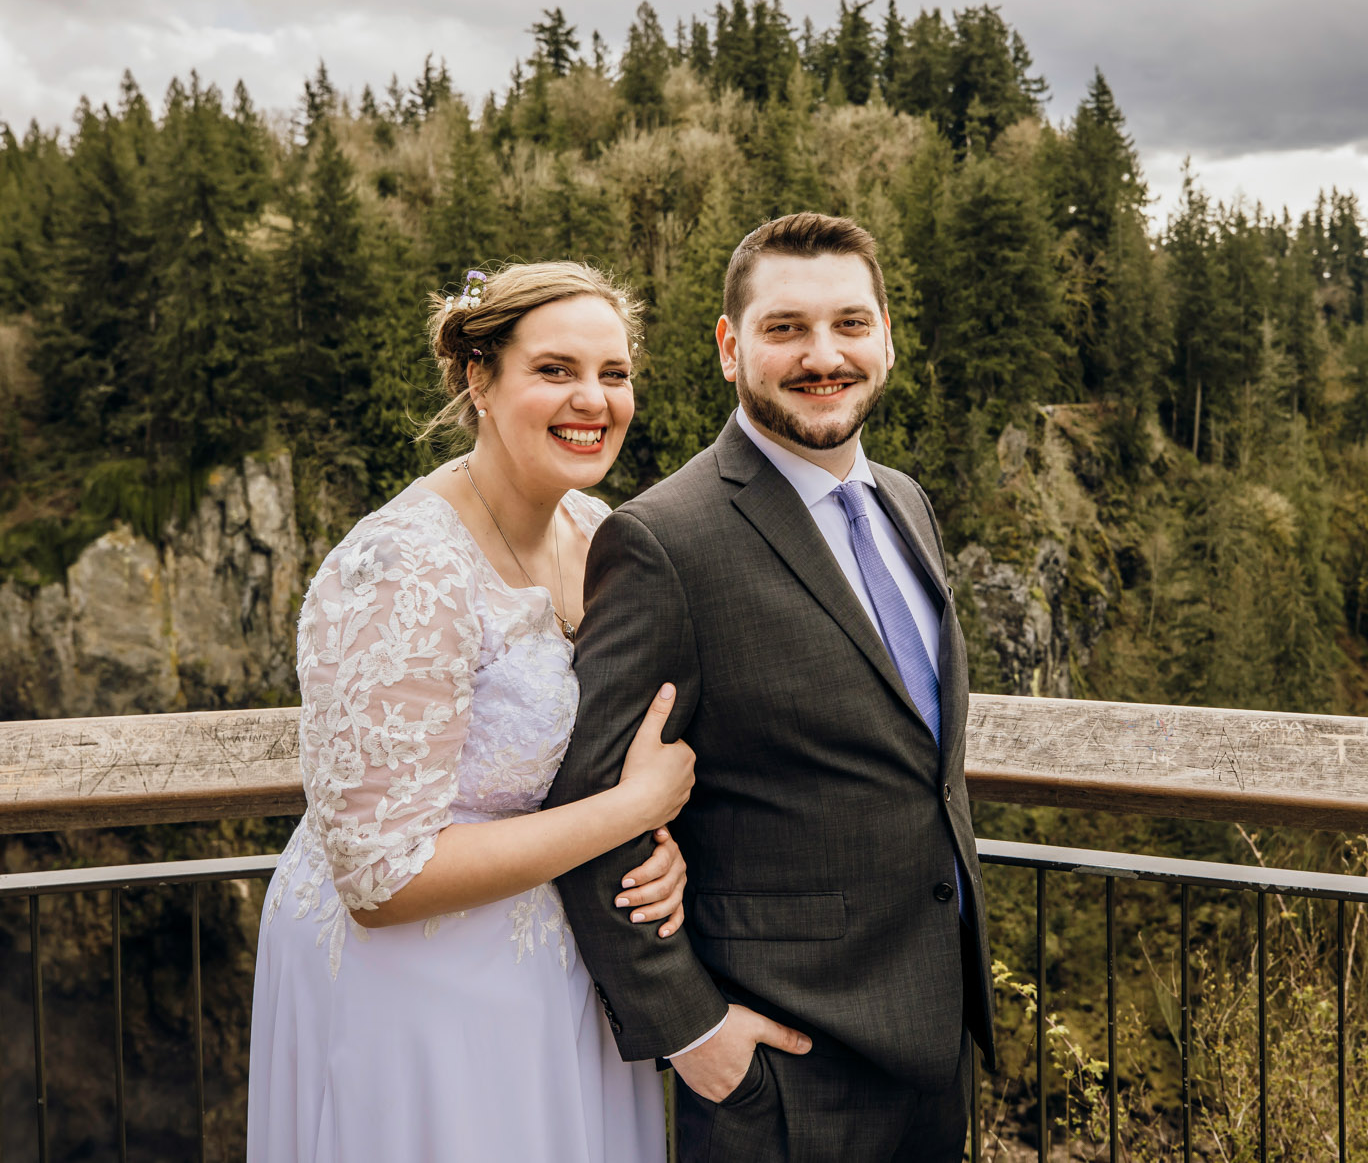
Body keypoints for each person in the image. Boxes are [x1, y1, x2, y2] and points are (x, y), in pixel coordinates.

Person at [547, 213, 995, 1163]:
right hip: (784, 1078)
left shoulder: (905, 502)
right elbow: (588, 805)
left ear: (886, 335)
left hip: (935, 1049)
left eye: (850, 324)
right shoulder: (663, 538)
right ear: (729, 346)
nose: (822, 356)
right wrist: (692, 1030)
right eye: (785, 327)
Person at [248, 262, 696, 1162]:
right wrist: (633, 811)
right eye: (556, 370)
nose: (593, 399)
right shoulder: (402, 566)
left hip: (554, 968)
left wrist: (658, 852)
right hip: (413, 994)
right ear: (479, 381)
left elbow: (594, 750)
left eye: (614, 374)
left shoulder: (597, 534)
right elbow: (380, 877)